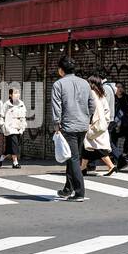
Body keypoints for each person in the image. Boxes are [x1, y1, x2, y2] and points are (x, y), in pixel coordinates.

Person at [50, 56, 96, 202]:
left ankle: (79, 192)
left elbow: (56, 106)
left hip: (68, 126)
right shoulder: (85, 83)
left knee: (74, 158)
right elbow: (92, 104)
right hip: (83, 125)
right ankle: (67, 189)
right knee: (72, 157)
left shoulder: (59, 84)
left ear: (61, 70)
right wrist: (88, 118)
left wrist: (56, 124)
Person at [83, 76, 117, 176]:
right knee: (87, 146)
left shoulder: (92, 93)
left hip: (95, 124)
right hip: (102, 124)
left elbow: (93, 109)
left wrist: (88, 121)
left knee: (98, 147)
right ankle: (83, 167)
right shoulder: (101, 93)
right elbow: (106, 110)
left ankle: (110, 166)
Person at [0, 88, 27, 169]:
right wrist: (3, 126)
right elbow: (1, 116)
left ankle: (2, 158)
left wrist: (23, 125)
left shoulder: (21, 104)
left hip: (19, 128)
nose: (17, 95)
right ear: (10, 95)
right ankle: (15, 162)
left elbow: (24, 116)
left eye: (18, 93)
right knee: (14, 145)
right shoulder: (6, 104)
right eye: (15, 93)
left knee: (10, 147)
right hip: (10, 128)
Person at [110, 82, 128, 169]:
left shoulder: (126, 97)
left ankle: (124, 154)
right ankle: (114, 156)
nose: (119, 89)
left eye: (121, 87)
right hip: (115, 121)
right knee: (113, 138)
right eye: (118, 87)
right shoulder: (112, 97)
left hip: (125, 122)